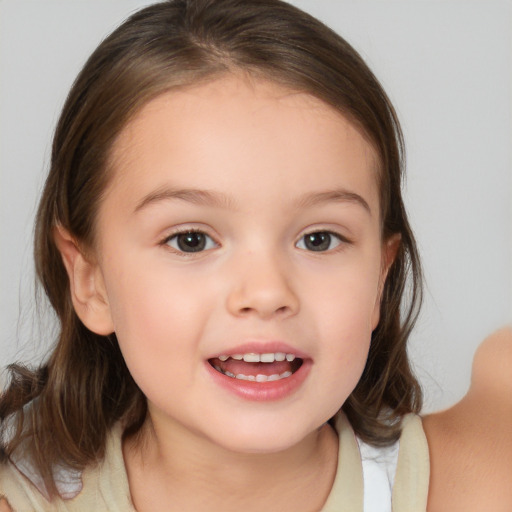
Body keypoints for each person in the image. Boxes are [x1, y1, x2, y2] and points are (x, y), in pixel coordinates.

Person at [0, 0, 509, 510]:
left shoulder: (476, 480)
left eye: (319, 239)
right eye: (191, 239)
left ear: (379, 273)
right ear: (90, 280)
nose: (266, 293)